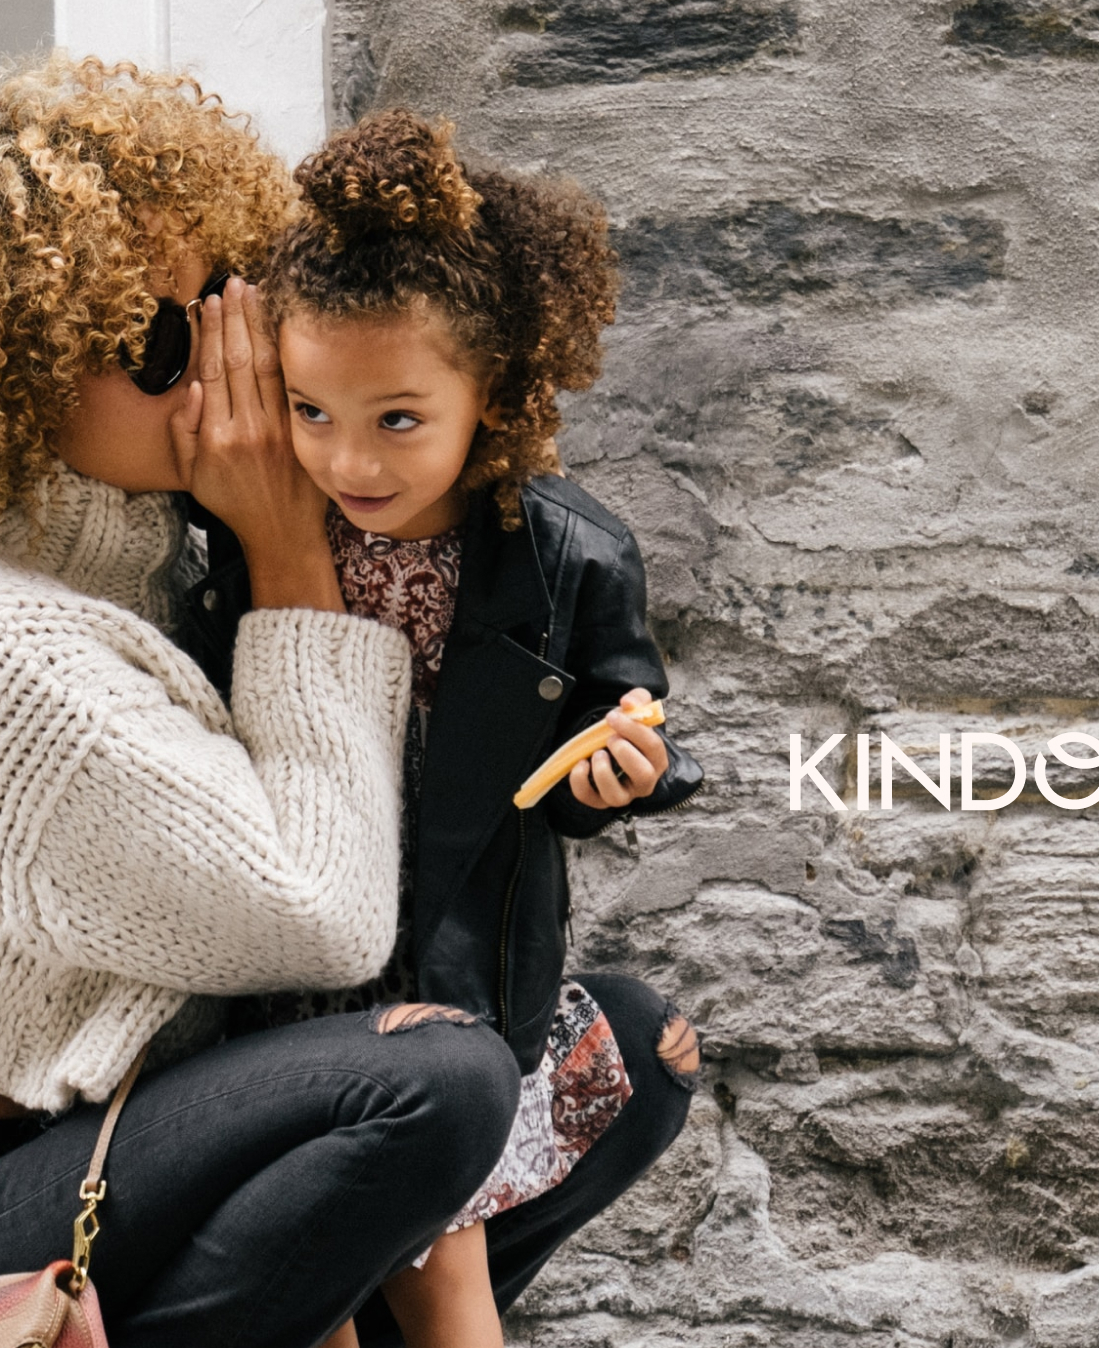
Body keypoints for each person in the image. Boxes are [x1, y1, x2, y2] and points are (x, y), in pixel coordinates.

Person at [0, 58, 520, 1348]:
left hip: (96, 1160)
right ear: (14, 368)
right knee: (433, 1085)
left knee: (618, 1045)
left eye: (227, 315)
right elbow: (323, 912)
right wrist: (292, 548)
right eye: (159, 342)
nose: (215, 373)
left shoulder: (147, 590)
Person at [175, 111, 708, 1347]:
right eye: (310, 411)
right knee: (315, 1275)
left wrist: (617, 772)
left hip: (455, 968)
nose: (348, 459)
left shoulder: (568, 557)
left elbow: (616, 716)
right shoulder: (249, 534)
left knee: (440, 1252)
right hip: (286, 951)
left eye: (397, 419)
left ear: (493, 396)